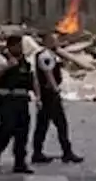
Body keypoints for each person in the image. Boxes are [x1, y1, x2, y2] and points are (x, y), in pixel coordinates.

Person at [32, 33, 83, 164]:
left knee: (43, 124)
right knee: (60, 123)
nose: (57, 42)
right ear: (48, 41)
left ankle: (38, 153)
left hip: (46, 94)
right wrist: (56, 90)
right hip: (49, 94)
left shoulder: (47, 54)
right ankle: (66, 152)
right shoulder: (46, 56)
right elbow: (48, 74)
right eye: (55, 40)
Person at [0, 34, 36, 174]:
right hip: (6, 100)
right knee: (6, 130)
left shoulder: (24, 61)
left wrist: (37, 96)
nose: (20, 48)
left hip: (22, 101)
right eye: (18, 46)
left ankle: (20, 163)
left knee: (22, 133)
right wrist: (8, 66)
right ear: (11, 46)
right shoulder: (1, 59)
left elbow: (32, 80)